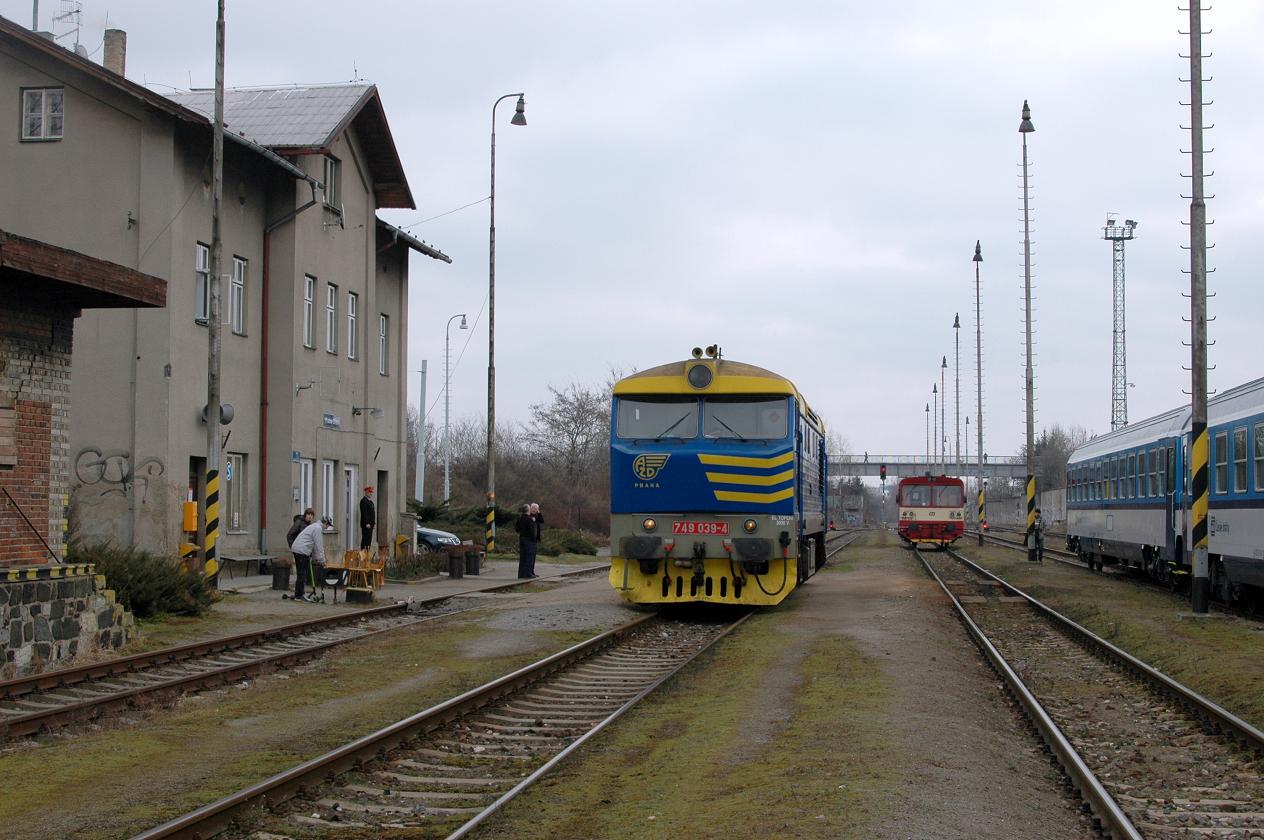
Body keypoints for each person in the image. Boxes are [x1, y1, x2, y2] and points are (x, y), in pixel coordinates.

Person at [290, 508, 325, 602]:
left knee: (302, 573)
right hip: (301, 551)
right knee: (302, 573)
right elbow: (318, 545)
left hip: (300, 550)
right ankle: (299, 595)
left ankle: (299, 593)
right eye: (327, 526)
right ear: (325, 524)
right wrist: (321, 560)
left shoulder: (313, 526)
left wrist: (315, 557)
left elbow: (313, 545)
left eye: (312, 515)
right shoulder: (317, 528)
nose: (310, 516)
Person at [515, 503, 537, 579]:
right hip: (529, 540)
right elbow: (532, 531)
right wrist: (534, 540)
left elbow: (517, 529)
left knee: (523, 557)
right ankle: (528, 573)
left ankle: (521, 574)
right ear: (528, 510)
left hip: (522, 538)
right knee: (529, 556)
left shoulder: (519, 518)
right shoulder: (530, 519)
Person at [358, 486, 376, 551]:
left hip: (371, 524)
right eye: (369, 492)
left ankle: (367, 554)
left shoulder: (371, 502)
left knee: (369, 540)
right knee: (365, 539)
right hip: (366, 525)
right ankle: (363, 553)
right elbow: (364, 513)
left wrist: (374, 523)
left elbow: (373, 514)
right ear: (366, 492)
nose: (371, 494)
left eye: (371, 492)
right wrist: (366, 523)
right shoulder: (363, 501)